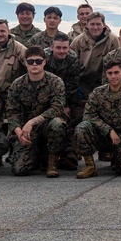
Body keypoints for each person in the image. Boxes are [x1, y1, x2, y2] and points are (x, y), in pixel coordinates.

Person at [6, 46, 68, 177]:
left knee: (57, 124)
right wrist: (19, 132)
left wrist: (32, 122)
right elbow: (12, 112)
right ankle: (37, 156)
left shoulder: (55, 82)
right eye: (31, 61)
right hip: (27, 131)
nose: (34, 64)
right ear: (25, 63)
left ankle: (52, 162)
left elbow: (57, 108)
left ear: (44, 62)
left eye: (38, 61)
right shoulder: (17, 84)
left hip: (46, 125)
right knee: (19, 170)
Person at [45, 32, 83, 170]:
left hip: (67, 97)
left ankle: (70, 153)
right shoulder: (44, 57)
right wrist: (56, 106)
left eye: (65, 48)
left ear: (69, 48)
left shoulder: (72, 59)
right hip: (46, 98)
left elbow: (72, 85)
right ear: (52, 47)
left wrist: (65, 105)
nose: (62, 51)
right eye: (58, 48)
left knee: (75, 117)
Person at [72, 11, 120, 96]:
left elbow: (118, 64)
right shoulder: (78, 41)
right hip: (82, 84)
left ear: (104, 25)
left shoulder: (113, 40)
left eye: (98, 24)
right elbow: (72, 65)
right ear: (87, 25)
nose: (95, 27)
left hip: (105, 83)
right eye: (92, 24)